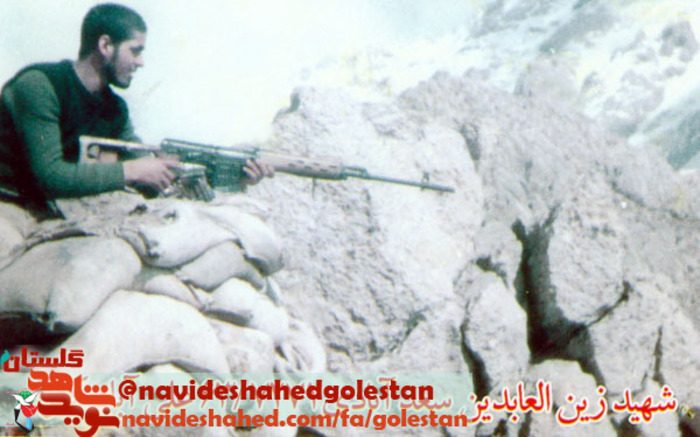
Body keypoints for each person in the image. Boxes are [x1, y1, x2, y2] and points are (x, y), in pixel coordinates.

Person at [0, 3, 271, 219]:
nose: (141, 62)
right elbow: (50, 175)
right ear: (105, 46)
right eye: (135, 51)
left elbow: (146, 174)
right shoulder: (40, 85)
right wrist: (132, 170)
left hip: (58, 210)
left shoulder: (115, 109)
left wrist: (233, 176)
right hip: (10, 203)